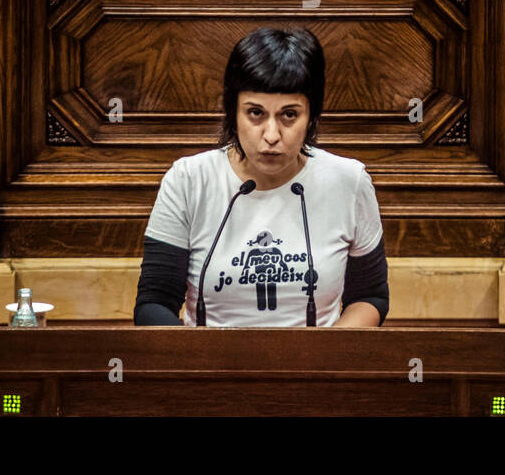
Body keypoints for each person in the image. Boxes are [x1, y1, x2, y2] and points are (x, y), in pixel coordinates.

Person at [135, 27, 388, 327]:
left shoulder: (349, 181)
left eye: (289, 115)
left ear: (312, 116)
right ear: (233, 112)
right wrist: (201, 365)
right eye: (255, 113)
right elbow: (154, 303)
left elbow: (370, 296)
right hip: (208, 367)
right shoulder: (188, 180)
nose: (271, 135)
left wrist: (326, 360)